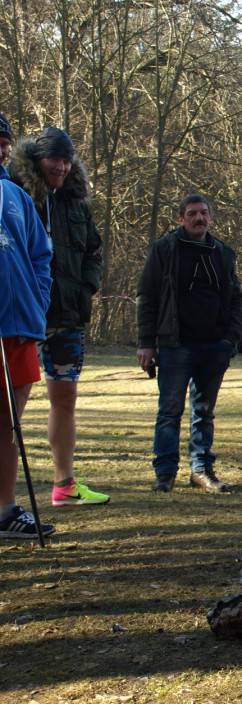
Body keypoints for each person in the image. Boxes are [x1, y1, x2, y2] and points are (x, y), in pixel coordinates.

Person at [7, 127, 109, 507]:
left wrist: (87, 289)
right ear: (36, 160)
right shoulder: (15, 198)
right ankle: (6, 494)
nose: (62, 167)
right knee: (11, 406)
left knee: (64, 398)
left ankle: (64, 486)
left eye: (68, 160)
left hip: (67, 318)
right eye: (55, 160)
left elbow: (94, 252)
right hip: (21, 319)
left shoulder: (76, 203)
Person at [136, 194, 242, 493]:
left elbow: (236, 299)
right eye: (193, 213)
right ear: (180, 218)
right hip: (175, 345)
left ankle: (201, 471)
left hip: (214, 347)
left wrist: (230, 340)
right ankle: (165, 474)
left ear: (211, 217)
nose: (200, 218)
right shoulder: (164, 249)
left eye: (204, 213)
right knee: (170, 411)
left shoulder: (222, 252)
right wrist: (147, 342)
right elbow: (148, 296)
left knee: (204, 412)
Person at [0, 165, 56, 538]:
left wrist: (37, 300)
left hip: (18, 325)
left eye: (4, 141)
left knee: (8, 423)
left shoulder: (15, 195)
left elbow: (40, 255)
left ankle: (5, 511)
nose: (2, 149)